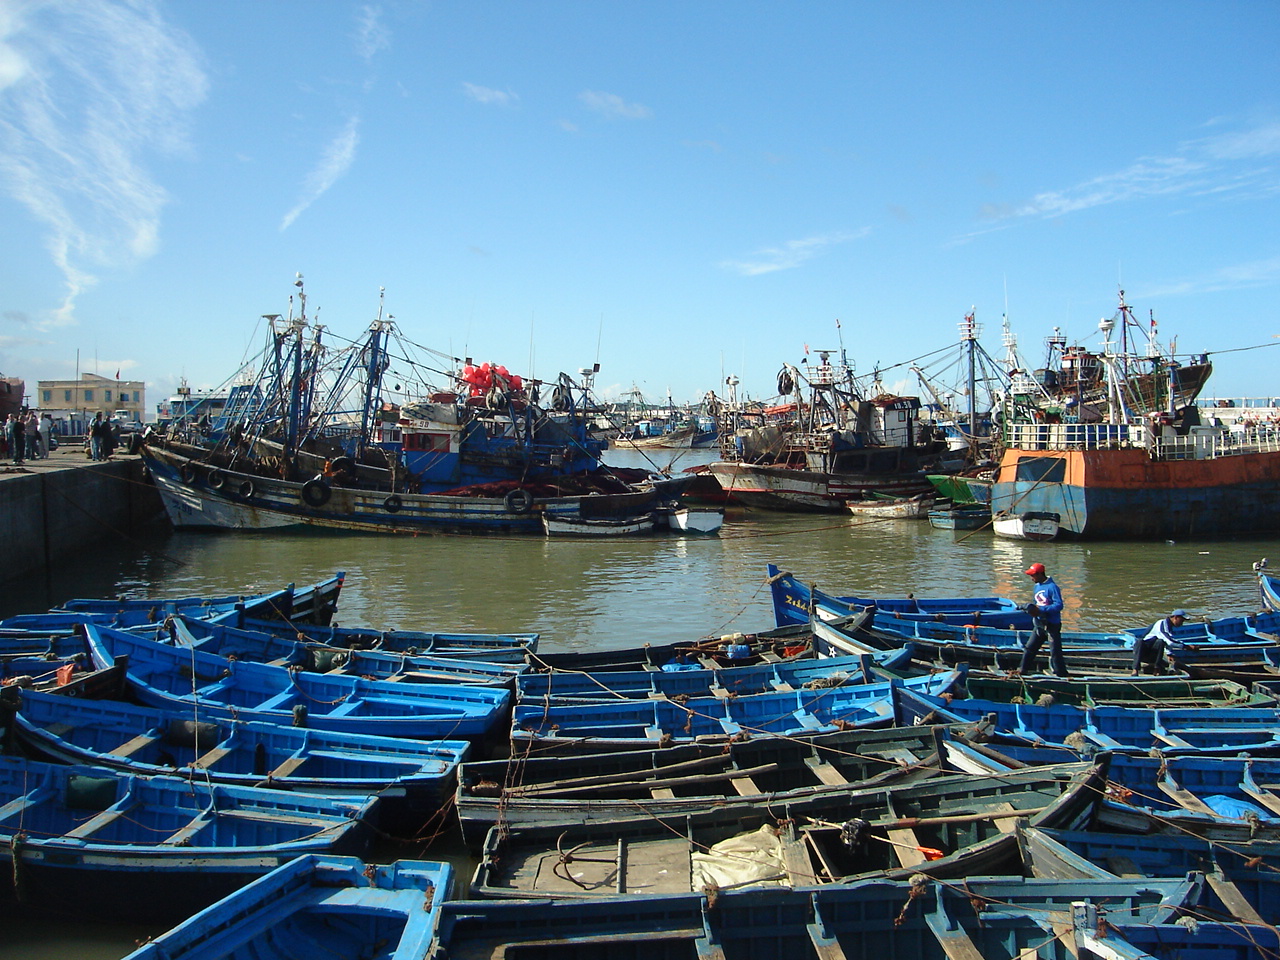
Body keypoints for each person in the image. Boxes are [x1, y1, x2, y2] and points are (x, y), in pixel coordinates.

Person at [1018, 562, 1067, 677]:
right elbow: (1037, 604)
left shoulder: (1052, 587)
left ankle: (1061, 674)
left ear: (1040, 574)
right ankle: (1022, 670)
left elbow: (1059, 605)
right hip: (1039, 623)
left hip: (1052, 625)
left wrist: (1042, 609)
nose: (1031, 578)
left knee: (1055, 652)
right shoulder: (1037, 586)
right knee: (1030, 648)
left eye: (1033, 575)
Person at [1133, 609, 1186, 675]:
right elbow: (1169, 641)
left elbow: (1165, 641)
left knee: (1160, 642)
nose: (1182, 624)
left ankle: (1157, 668)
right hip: (1143, 652)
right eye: (1181, 621)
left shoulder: (1169, 627)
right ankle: (1135, 669)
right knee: (1139, 641)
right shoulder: (1161, 624)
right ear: (1175, 617)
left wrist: (1169, 653)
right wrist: (1185, 646)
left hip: (1153, 653)